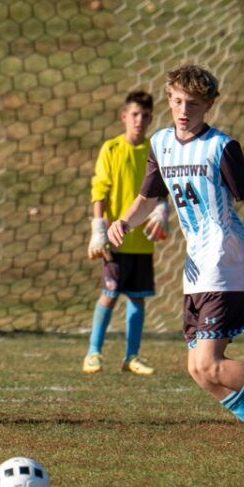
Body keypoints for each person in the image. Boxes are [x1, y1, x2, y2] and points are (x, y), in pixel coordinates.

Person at [107, 65, 244, 472]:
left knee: (210, 363)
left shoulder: (221, 148)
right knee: (198, 371)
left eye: (192, 104)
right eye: (176, 101)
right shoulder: (161, 144)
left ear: (208, 105)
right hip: (197, 270)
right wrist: (123, 220)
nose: (182, 110)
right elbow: (147, 198)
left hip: (229, 265)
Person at [83, 90, 167, 376]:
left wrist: (162, 212)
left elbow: (160, 190)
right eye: (134, 115)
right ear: (124, 117)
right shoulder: (111, 149)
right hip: (114, 239)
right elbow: (99, 191)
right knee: (109, 294)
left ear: (151, 118)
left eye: (145, 115)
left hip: (141, 241)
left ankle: (131, 357)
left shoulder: (154, 150)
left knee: (137, 297)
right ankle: (93, 352)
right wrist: (98, 230)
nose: (139, 120)